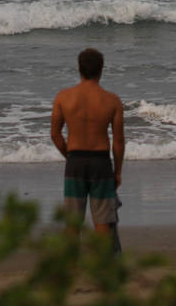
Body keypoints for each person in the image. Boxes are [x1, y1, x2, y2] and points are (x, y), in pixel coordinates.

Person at [50, 47, 125, 251]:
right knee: (102, 222)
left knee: (73, 222)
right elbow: (118, 141)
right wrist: (117, 171)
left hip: (75, 162)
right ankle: (101, 266)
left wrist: (70, 156)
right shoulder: (112, 101)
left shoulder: (64, 98)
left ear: (79, 69)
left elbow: (55, 134)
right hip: (101, 163)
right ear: (101, 70)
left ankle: (71, 267)